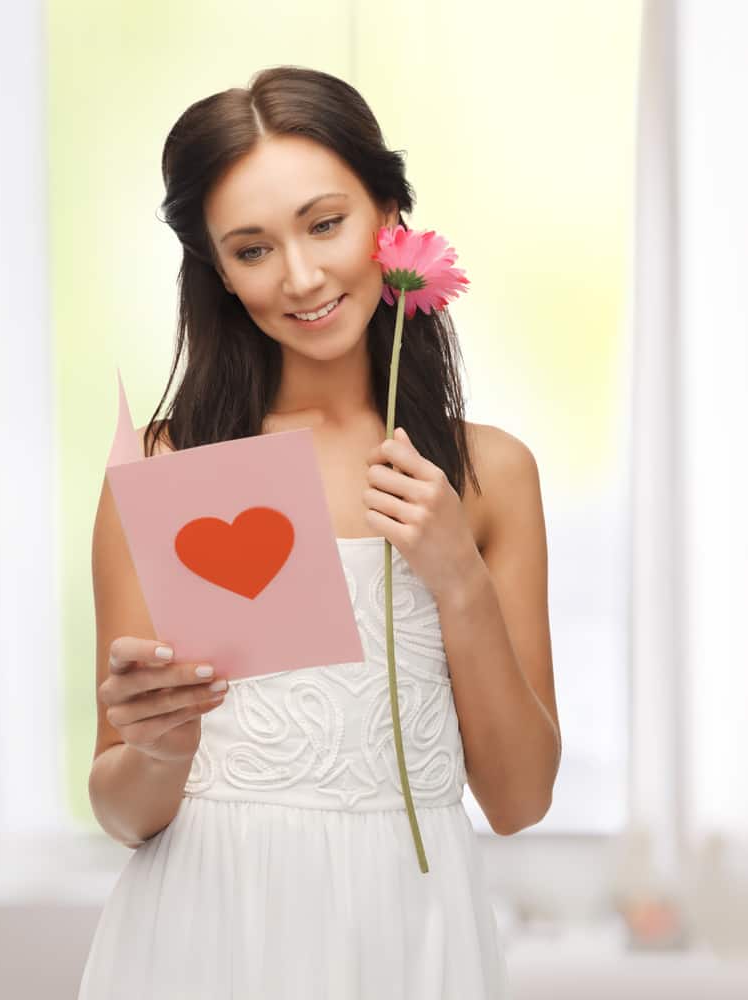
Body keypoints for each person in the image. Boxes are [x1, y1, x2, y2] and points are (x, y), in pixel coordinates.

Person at [78, 66, 560, 999]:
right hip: (203, 932)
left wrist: (455, 574)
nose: (299, 276)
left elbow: (518, 800)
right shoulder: (167, 467)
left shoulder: (489, 475)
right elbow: (120, 813)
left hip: (410, 934)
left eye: (324, 224)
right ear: (215, 269)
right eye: (251, 249)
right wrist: (158, 749)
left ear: (388, 213)